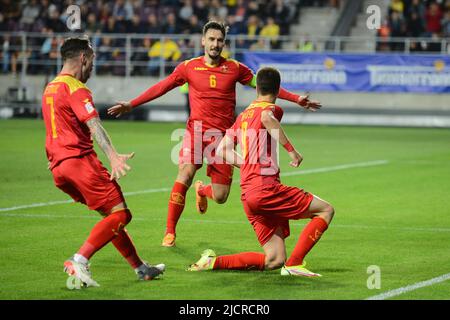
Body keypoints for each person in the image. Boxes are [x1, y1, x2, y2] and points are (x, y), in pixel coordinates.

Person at [107, 21, 321, 248]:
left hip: (224, 138)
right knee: (185, 172)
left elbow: (265, 85)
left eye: (219, 40)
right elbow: (162, 86)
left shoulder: (235, 68)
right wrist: (132, 104)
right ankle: (170, 231)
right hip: (196, 133)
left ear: (224, 43)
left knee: (220, 196)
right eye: (211, 39)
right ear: (203, 41)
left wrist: (297, 99)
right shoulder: (188, 67)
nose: (215, 44)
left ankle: (203, 190)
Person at [42, 36, 164, 287]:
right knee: (121, 215)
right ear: (83, 58)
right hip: (79, 162)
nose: (93, 67)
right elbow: (93, 123)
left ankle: (141, 269)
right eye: (93, 60)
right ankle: (79, 259)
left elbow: (54, 128)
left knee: (110, 217)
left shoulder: (50, 87)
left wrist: (55, 159)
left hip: (59, 167)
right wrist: (113, 156)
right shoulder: (75, 87)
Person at [188, 67, 334, 277]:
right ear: (277, 90)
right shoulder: (272, 109)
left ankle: (212, 262)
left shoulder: (243, 115)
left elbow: (222, 150)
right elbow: (267, 118)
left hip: (248, 194)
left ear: (256, 87)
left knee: (274, 259)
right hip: (266, 189)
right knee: (326, 210)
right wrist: (292, 152)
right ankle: (295, 264)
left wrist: (247, 164)